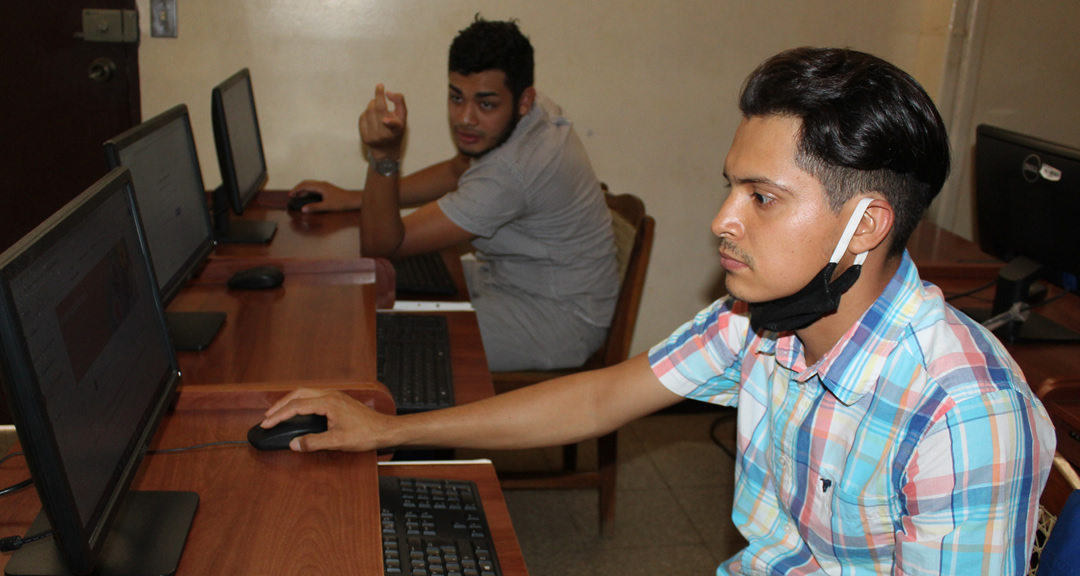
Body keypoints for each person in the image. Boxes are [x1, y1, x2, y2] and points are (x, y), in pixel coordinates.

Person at [265, 47, 1057, 574]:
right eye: (730, 186)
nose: (723, 219)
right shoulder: (762, 322)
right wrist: (392, 430)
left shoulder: (962, 415)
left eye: (762, 197)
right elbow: (604, 395)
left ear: (867, 225)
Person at [289, 17, 618, 372]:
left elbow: (382, 246)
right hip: (512, 281)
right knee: (368, 292)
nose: (466, 118)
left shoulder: (512, 170)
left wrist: (384, 158)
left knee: (376, 339)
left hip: (558, 319)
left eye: (485, 104)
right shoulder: (529, 115)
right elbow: (455, 170)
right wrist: (354, 197)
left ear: (524, 100)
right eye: (456, 98)